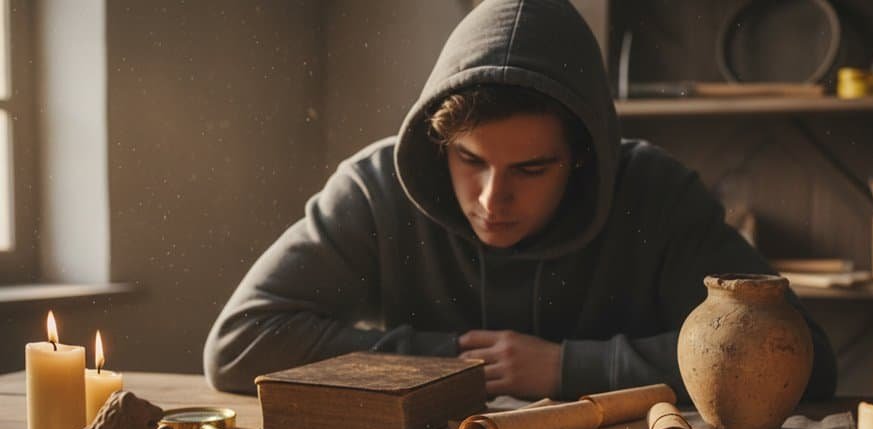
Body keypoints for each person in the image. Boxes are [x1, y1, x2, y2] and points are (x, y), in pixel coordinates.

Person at [203, 0, 837, 401]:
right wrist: (454, 365)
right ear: (437, 143)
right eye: (469, 160)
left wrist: (571, 369)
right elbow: (240, 344)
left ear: (583, 158)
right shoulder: (376, 185)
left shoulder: (655, 192)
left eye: (532, 168)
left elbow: (797, 356)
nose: (491, 198)